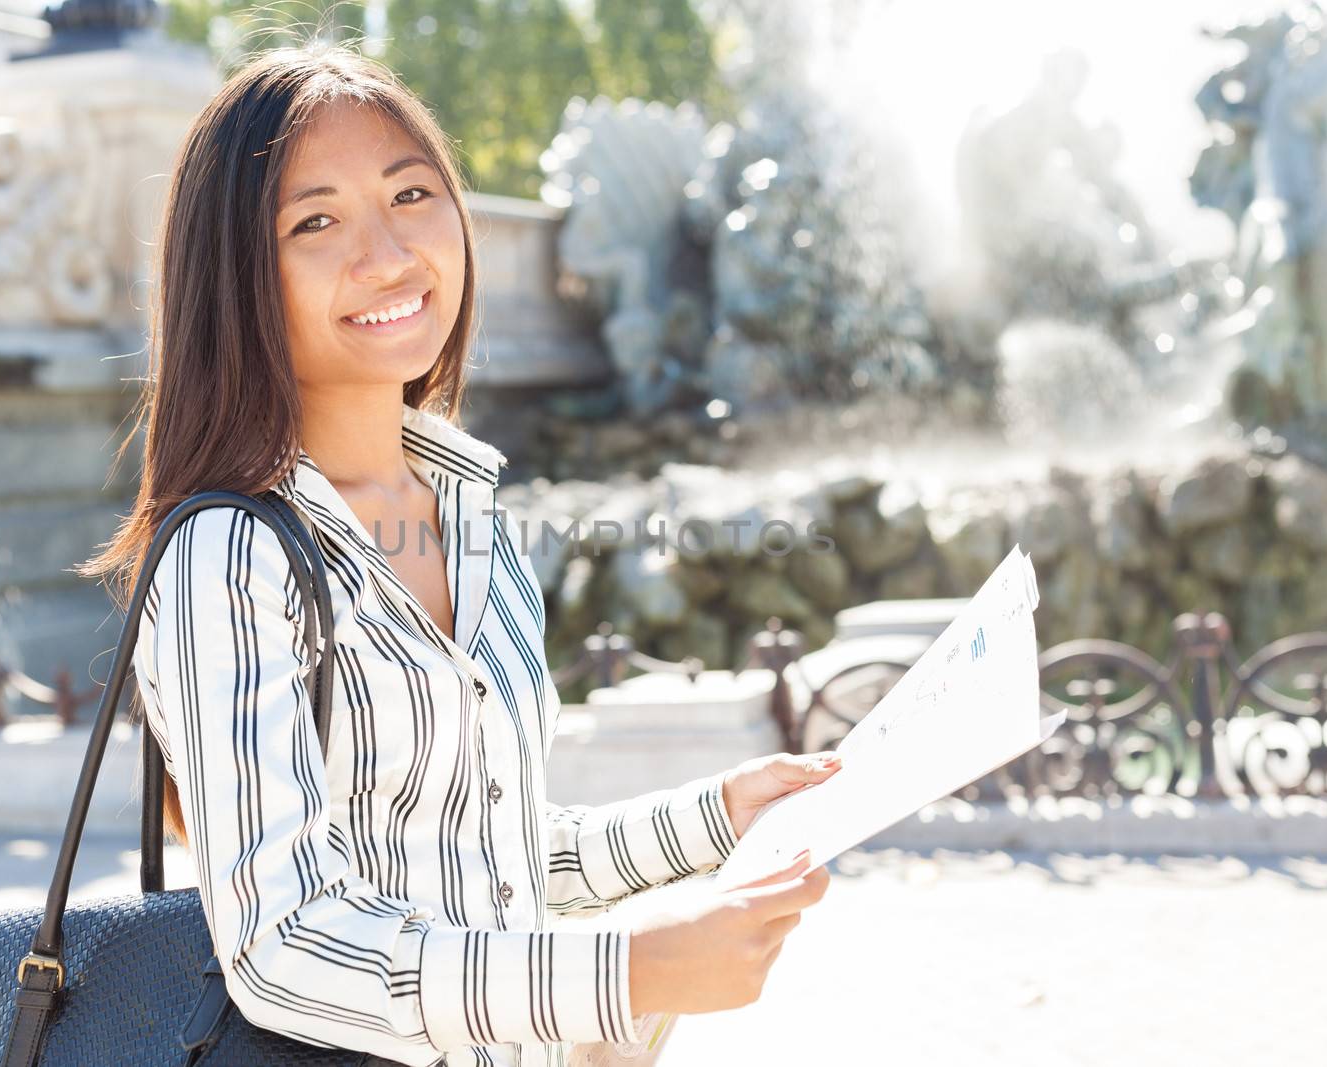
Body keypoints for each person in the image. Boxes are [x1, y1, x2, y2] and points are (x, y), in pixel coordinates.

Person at [77, 40, 839, 1067]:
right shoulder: (232, 550)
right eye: (316, 220)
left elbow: (489, 854)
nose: (388, 253)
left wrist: (716, 814)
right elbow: (283, 945)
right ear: (237, 277)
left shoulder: (471, 514)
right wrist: (624, 974)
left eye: (411, 194)